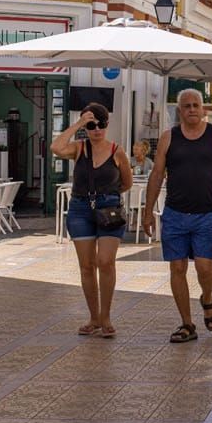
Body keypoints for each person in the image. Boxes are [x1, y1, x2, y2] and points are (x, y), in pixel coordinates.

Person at [142, 89, 212, 344]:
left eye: (196, 105)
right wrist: (148, 211)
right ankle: (187, 323)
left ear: (203, 108)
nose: (192, 109)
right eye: (186, 106)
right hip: (174, 213)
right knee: (177, 268)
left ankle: (207, 298)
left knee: (204, 266)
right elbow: (156, 175)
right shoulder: (168, 138)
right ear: (180, 110)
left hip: (205, 214)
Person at [53, 103, 132, 339]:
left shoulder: (117, 151)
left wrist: (108, 195)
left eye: (102, 124)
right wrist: (77, 123)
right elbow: (56, 147)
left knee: (105, 261)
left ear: (107, 125)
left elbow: (126, 183)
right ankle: (94, 317)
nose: (97, 129)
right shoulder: (79, 148)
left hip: (109, 209)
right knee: (87, 266)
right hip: (80, 208)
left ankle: (106, 316)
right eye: (92, 125)